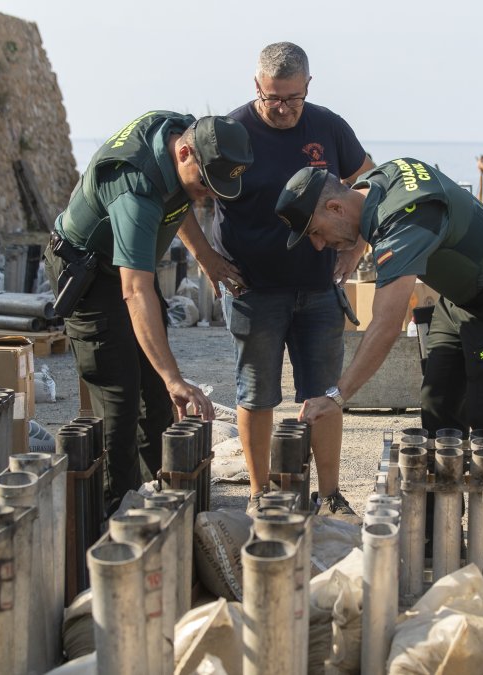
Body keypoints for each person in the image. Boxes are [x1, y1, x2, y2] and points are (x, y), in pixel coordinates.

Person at [179, 42, 372, 517]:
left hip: (319, 288)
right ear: (256, 87)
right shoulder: (231, 131)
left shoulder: (328, 126)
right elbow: (178, 196)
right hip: (252, 290)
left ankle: (329, 495)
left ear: (308, 86)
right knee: (256, 391)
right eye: (273, 99)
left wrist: (356, 245)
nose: (283, 109)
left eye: (293, 98)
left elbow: (371, 181)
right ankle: (259, 493)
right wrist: (206, 259)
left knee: (324, 391)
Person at [44, 112, 253, 505]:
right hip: (89, 272)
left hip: (126, 264)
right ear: (185, 152)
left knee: (155, 398)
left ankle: (156, 497)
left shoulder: (181, 137)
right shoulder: (135, 189)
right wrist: (176, 377)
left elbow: (180, 200)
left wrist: (205, 256)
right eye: (208, 184)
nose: (209, 194)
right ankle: (114, 516)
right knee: (118, 402)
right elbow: (135, 291)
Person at [276, 159, 483, 435]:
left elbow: (386, 325)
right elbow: (370, 213)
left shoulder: (403, 224)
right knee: (438, 408)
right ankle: (448, 477)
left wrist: (337, 397)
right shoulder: (378, 178)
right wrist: (355, 249)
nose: (319, 245)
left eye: (317, 232)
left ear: (335, 208)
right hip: (456, 300)